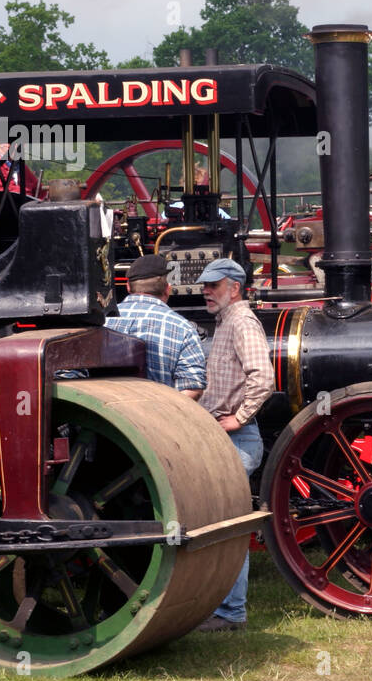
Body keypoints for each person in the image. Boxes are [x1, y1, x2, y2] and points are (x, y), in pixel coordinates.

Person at [195, 257, 273, 631]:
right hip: (225, 436)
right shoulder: (227, 322)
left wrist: (239, 417)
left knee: (229, 525)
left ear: (235, 288)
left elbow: (264, 377)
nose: (205, 291)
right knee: (221, 523)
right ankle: (221, 608)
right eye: (205, 286)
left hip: (237, 437)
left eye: (213, 286)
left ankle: (230, 613)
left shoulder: (242, 322)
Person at [103, 254, 206, 399]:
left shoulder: (102, 320)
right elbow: (193, 387)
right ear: (167, 289)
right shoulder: (183, 328)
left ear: (127, 286)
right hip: (160, 418)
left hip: (105, 416)